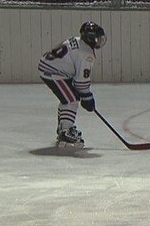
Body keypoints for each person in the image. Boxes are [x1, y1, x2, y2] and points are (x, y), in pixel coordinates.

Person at [38, 21, 107, 149]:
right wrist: (88, 98)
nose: (99, 41)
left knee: (67, 98)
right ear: (91, 38)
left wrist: (85, 97)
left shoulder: (77, 40)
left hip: (50, 68)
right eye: (97, 38)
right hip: (53, 72)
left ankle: (63, 128)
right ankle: (66, 131)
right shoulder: (86, 54)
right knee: (71, 99)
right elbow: (81, 83)